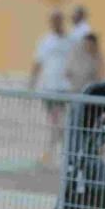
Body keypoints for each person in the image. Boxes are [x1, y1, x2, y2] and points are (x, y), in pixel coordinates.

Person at [29, 9, 72, 167]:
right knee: (56, 123)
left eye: (59, 20)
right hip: (49, 88)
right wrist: (31, 83)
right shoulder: (46, 41)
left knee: (61, 123)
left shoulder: (69, 41)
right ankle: (53, 153)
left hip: (64, 89)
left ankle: (54, 153)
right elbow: (37, 62)